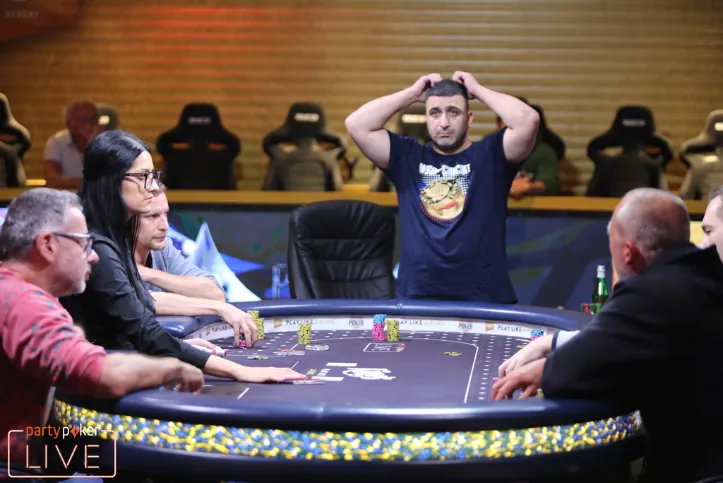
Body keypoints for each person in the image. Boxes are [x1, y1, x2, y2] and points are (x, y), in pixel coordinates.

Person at [492, 188, 723, 483]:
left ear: (627, 252)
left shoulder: (649, 293)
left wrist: (544, 368)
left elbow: (569, 372)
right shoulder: (706, 275)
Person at [60, 129, 304, 384]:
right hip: (98, 378)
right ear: (111, 180)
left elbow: (143, 304)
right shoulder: (98, 245)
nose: (152, 187)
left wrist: (182, 343)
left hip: (120, 362)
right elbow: (143, 330)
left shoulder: (115, 237)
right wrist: (240, 370)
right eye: (142, 177)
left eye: (153, 175)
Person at [0, 188, 205, 467]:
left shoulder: (14, 291)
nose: (94, 256)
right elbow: (106, 376)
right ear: (48, 245)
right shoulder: (25, 303)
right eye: (84, 243)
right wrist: (175, 367)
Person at [345, 72, 539, 303]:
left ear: (469, 118)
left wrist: (477, 90)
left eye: (453, 112)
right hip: (418, 297)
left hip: (483, 298)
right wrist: (411, 95)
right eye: (435, 113)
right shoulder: (408, 157)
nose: (444, 122)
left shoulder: (491, 155)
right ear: (426, 118)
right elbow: (356, 124)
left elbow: (528, 120)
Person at [135, 189, 258, 347]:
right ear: (128, 220)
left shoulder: (162, 249)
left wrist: (150, 274)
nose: (165, 226)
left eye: (165, 214)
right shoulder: (110, 255)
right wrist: (218, 308)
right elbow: (139, 300)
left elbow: (214, 293)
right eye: (152, 216)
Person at [43, 100, 101, 189]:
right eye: (83, 119)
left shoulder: (108, 142)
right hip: (66, 196)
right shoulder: (57, 142)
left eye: (93, 118)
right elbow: (52, 180)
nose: (90, 124)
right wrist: (85, 183)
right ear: (69, 123)